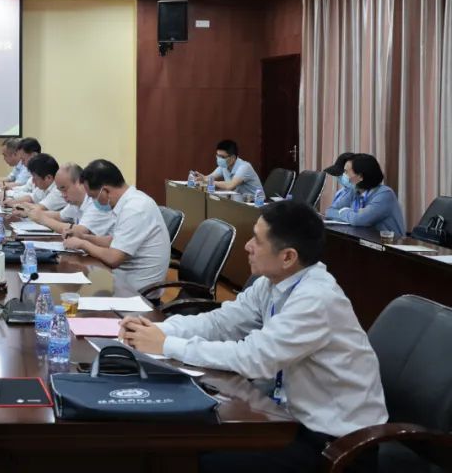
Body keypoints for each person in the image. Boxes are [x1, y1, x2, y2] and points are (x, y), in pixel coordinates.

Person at [120, 200, 387, 473]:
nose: (247, 246)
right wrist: (160, 330)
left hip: (333, 444)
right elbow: (221, 322)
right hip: (285, 418)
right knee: (182, 442)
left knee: (192, 459)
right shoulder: (273, 283)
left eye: (257, 240)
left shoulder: (316, 299)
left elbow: (253, 358)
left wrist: (167, 345)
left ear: (288, 257)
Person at [63, 159, 170, 292]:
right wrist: (83, 237)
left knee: (75, 296)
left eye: (93, 197)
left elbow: (113, 258)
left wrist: (82, 244)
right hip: (122, 281)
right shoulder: (130, 202)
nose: (92, 201)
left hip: (138, 293)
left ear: (105, 191)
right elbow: (114, 241)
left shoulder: (135, 208)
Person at [324, 154, 406, 236]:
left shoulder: (385, 194)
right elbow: (329, 211)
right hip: (362, 238)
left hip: (387, 242)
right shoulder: (354, 191)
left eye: (346, 172)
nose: (343, 175)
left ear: (360, 176)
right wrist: (351, 214)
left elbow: (358, 220)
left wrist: (344, 211)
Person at [27, 162, 114, 236]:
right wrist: (31, 213)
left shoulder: (96, 202)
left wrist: (43, 219)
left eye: (64, 189)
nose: (63, 195)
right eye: (60, 191)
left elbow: (80, 231)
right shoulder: (75, 202)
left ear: (80, 182)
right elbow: (59, 216)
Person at [195, 139, 263, 198]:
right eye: (217, 155)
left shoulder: (244, 167)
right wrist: (201, 178)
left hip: (256, 203)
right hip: (239, 200)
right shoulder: (224, 166)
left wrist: (209, 181)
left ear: (233, 157)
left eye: (222, 157)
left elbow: (230, 185)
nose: (219, 159)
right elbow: (209, 178)